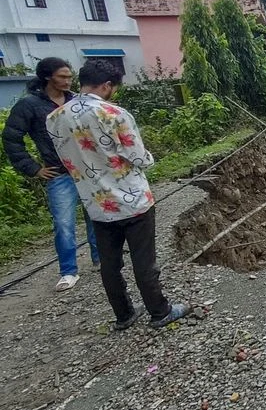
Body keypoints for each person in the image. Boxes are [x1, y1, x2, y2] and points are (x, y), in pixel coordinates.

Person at [46, 60, 189, 330]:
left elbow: (66, 158)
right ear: (107, 85)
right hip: (132, 200)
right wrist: (149, 157)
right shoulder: (113, 113)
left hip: (96, 204)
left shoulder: (54, 118)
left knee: (109, 265)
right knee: (144, 260)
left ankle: (123, 315)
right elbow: (137, 157)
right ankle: (160, 312)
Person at [2, 57, 100, 292]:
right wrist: (33, 168)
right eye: (62, 77)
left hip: (85, 170)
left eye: (69, 76)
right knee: (64, 223)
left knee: (95, 216)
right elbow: (11, 138)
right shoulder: (30, 106)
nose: (68, 81)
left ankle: (101, 257)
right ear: (47, 77)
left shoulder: (75, 101)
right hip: (58, 173)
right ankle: (68, 271)